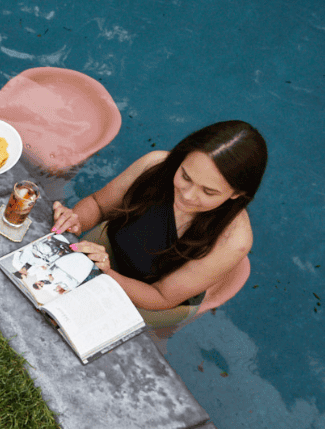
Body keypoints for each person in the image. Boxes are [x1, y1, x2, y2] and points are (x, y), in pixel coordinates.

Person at [50, 120, 267, 330]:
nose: (188, 196)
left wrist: (106, 273)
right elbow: (98, 205)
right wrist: (74, 220)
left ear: (237, 194)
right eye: (185, 176)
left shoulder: (234, 241)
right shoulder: (155, 164)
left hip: (153, 300)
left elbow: (161, 296)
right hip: (108, 249)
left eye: (208, 191)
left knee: (78, 323)